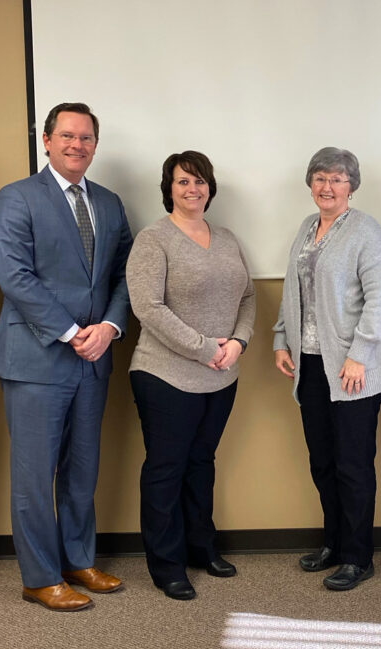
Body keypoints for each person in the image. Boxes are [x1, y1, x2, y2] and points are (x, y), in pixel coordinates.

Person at [0, 102, 133, 612]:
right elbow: (15, 278)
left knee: (81, 470)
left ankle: (78, 560)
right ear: (46, 140)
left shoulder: (111, 203)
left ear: (96, 144)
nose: (77, 145)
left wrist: (111, 328)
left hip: (94, 360)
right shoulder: (17, 198)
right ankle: (40, 577)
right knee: (34, 475)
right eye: (67, 136)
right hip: (35, 360)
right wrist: (73, 332)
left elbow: (123, 275)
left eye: (87, 137)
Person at [127, 151, 255, 601]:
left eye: (199, 181)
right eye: (183, 182)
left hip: (222, 374)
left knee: (202, 463)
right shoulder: (153, 239)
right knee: (166, 468)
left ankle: (203, 547)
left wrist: (237, 343)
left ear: (209, 187)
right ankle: (167, 564)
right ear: (170, 188)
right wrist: (205, 348)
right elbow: (148, 308)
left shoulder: (225, 238)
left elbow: (248, 297)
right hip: (165, 375)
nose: (192, 189)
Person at [273, 147, 381, 591]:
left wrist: (359, 354)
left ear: (352, 186)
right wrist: (280, 339)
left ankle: (358, 557)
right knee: (323, 461)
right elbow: (293, 290)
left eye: (338, 179)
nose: (328, 186)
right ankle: (335, 543)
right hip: (310, 366)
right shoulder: (307, 228)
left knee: (353, 465)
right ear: (311, 184)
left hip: (351, 369)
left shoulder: (365, 231)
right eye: (321, 178)